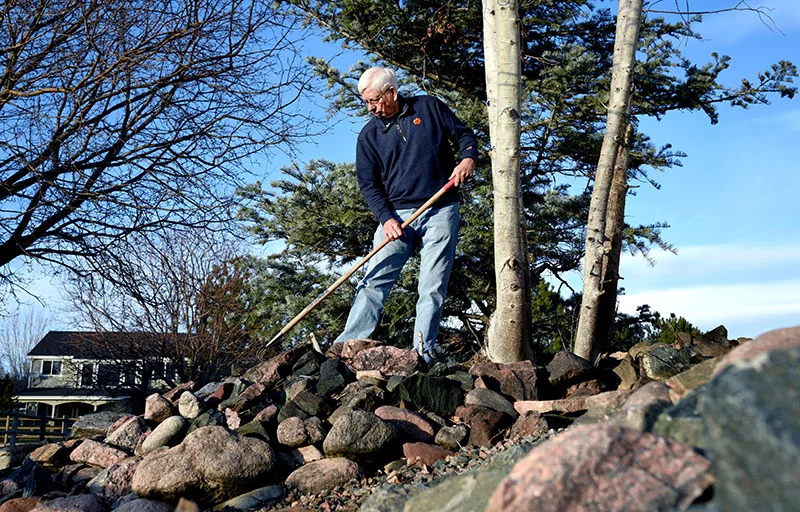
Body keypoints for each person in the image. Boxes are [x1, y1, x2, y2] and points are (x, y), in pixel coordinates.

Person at [334, 66, 478, 366]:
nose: (371, 107)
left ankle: (421, 356)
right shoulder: (369, 135)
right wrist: (386, 219)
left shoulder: (428, 107)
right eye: (366, 102)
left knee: (432, 286)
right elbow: (369, 185)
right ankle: (346, 349)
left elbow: (464, 134)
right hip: (396, 217)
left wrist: (467, 158)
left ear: (392, 93)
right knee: (373, 281)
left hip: (441, 208)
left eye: (374, 100)